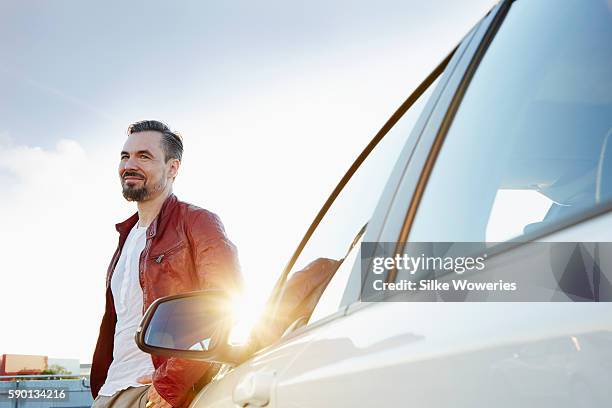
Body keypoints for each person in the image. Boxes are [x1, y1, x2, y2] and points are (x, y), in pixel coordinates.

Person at [90, 120, 242, 408]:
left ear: (173, 168)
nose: (129, 165)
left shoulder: (197, 222)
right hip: (109, 390)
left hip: (154, 393)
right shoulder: (125, 237)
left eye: (143, 156)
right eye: (125, 156)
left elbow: (225, 301)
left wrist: (170, 383)